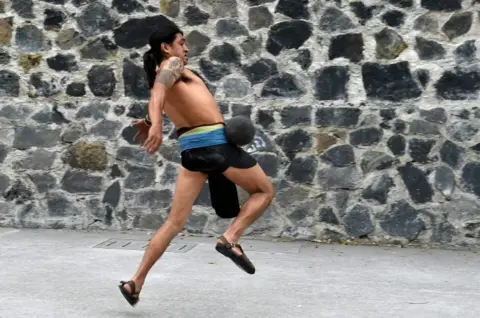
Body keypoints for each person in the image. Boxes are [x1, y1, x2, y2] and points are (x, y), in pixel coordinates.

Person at [118, 16, 275, 307]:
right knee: (265, 191)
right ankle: (230, 238)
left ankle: (135, 282)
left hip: (192, 153)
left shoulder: (167, 73)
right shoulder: (173, 65)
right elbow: (159, 90)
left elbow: (160, 96)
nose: (186, 48)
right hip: (215, 146)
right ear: (166, 47)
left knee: (173, 222)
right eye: (181, 42)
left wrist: (150, 120)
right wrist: (154, 127)